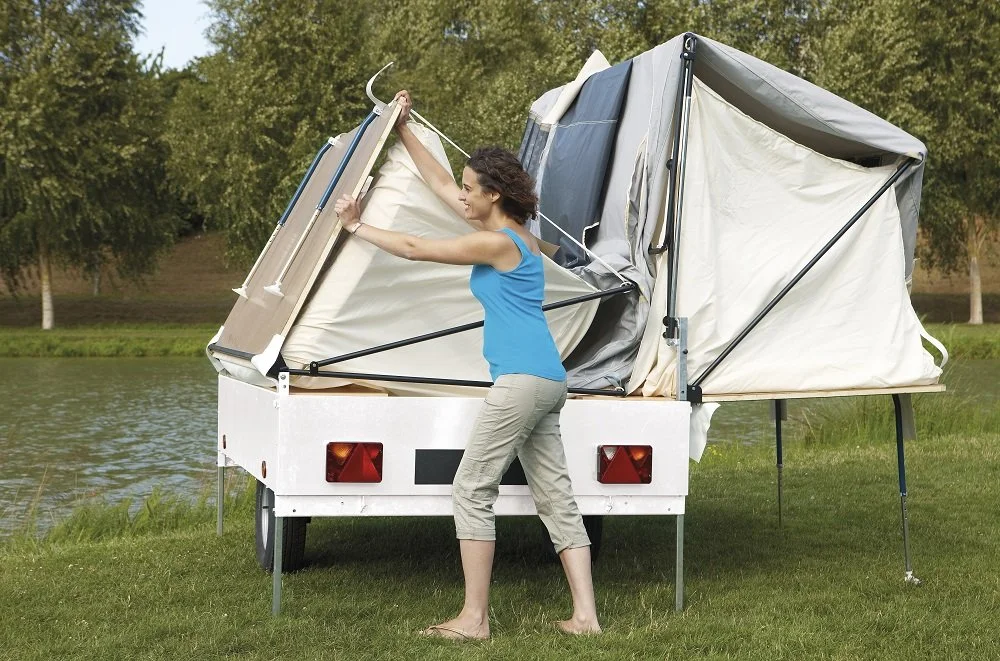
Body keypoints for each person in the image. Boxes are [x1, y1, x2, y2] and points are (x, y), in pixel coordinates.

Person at [333, 91, 601, 640]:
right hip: (548, 379)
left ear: (493, 194)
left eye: (469, 187)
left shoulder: (499, 244)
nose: (460, 193)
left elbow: (413, 246)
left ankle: (474, 620)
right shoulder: (524, 239)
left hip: (521, 381)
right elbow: (438, 186)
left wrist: (355, 227)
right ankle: (585, 618)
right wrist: (404, 129)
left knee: (471, 488)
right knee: (555, 496)